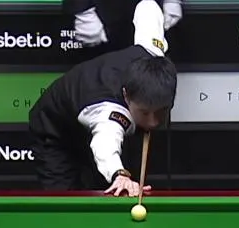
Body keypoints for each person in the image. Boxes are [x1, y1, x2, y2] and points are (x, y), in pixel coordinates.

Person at [30, 0, 178, 196]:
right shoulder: (108, 111)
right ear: (126, 96)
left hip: (88, 108)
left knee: (108, 188)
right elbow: (105, 145)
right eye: (144, 113)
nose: (152, 122)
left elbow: (148, 7)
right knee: (66, 198)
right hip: (56, 129)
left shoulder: (153, 52)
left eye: (160, 112)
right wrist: (119, 174)